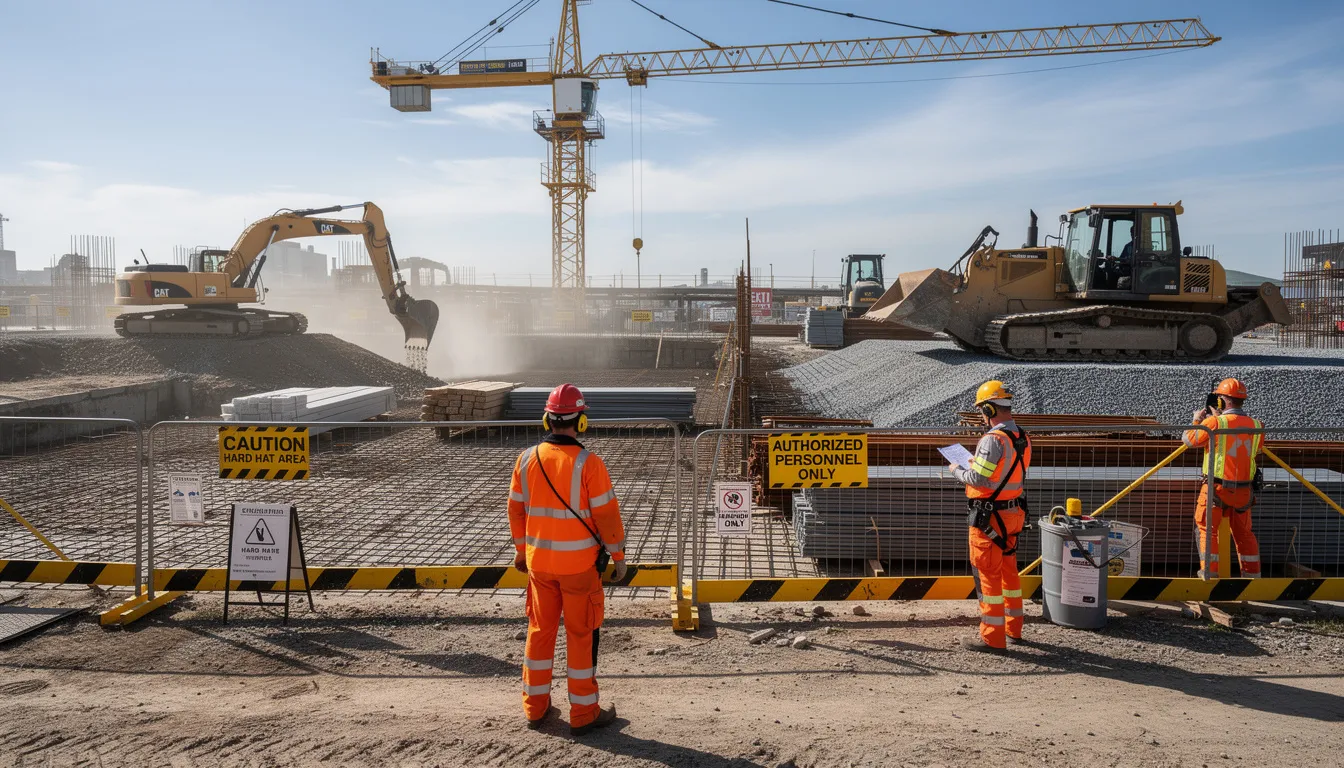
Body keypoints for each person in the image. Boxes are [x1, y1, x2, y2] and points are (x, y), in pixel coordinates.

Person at [507, 384, 627, 736]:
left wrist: (521, 551)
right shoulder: (590, 465)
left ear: (547, 420)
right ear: (581, 421)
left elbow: (516, 511)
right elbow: (607, 517)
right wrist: (618, 556)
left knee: (540, 631)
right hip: (579, 569)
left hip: (539, 566)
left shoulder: (525, 459)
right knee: (580, 634)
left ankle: (535, 707)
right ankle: (584, 712)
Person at [949, 380, 1031, 652]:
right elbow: (1003, 471)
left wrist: (956, 470)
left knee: (988, 577)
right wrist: (977, 465)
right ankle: (1013, 629)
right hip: (1012, 514)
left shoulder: (992, 439)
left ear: (989, 409)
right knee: (1009, 573)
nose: (982, 416)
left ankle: (992, 638)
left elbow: (978, 479)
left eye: (982, 411)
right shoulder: (1021, 436)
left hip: (989, 519)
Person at [1182, 378, 1263, 579]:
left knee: (1207, 530)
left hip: (1216, 490)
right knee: (1244, 534)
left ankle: (1210, 573)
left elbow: (1188, 440)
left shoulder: (1215, 423)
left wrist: (1196, 420)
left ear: (1223, 401)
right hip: (1244, 491)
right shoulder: (1257, 425)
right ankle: (1252, 577)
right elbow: (1253, 449)